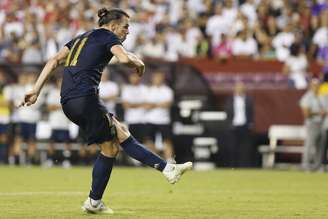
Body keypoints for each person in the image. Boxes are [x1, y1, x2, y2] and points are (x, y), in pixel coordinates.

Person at [19, 8, 192, 214]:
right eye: (126, 26)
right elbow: (124, 59)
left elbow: (54, 60)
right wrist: (139, 62)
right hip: (86, 99)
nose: (128, 31)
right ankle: (95, 201)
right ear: (112, 26)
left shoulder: (81, 37)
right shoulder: (108, 36)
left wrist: (36, 90)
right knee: (110, 149)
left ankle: (166, 169)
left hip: (68, 102)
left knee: (119, 134)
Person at [145, 71, 174, 161]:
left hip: (164, 120)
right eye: (156, 77)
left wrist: (153, 105)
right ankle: (155, 161)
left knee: (167, 141)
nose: (158, 79)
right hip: (150, 120)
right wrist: (160, 104)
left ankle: (169, 161)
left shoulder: (168, 90)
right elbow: (146, 105)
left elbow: (168, 104)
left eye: (159, 77)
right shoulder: (148, 90)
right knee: (149, 141)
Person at [224, 81, 254, 167]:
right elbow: (228, 112)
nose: (239, 90)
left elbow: (251, 113)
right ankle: (232, 166)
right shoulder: (230, 99)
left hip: (245, 126)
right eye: (238, 88)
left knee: (244, 148)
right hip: (233, 126)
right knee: (232, 147)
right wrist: (229, 124)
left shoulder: (248, 99)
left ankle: (244, 166)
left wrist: (251, 124)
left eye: (241, 88)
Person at [299, 78, 324, 171]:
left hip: (321, 123)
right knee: (309, 145)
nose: (316, 87)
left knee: (320, 147)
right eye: (314, 85)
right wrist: (320, 113)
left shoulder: (319, 97)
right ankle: (305, 165)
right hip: (312, 124)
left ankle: (317, 166)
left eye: (317, 85)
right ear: (310, 86)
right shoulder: (307, 97)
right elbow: (306, 114)